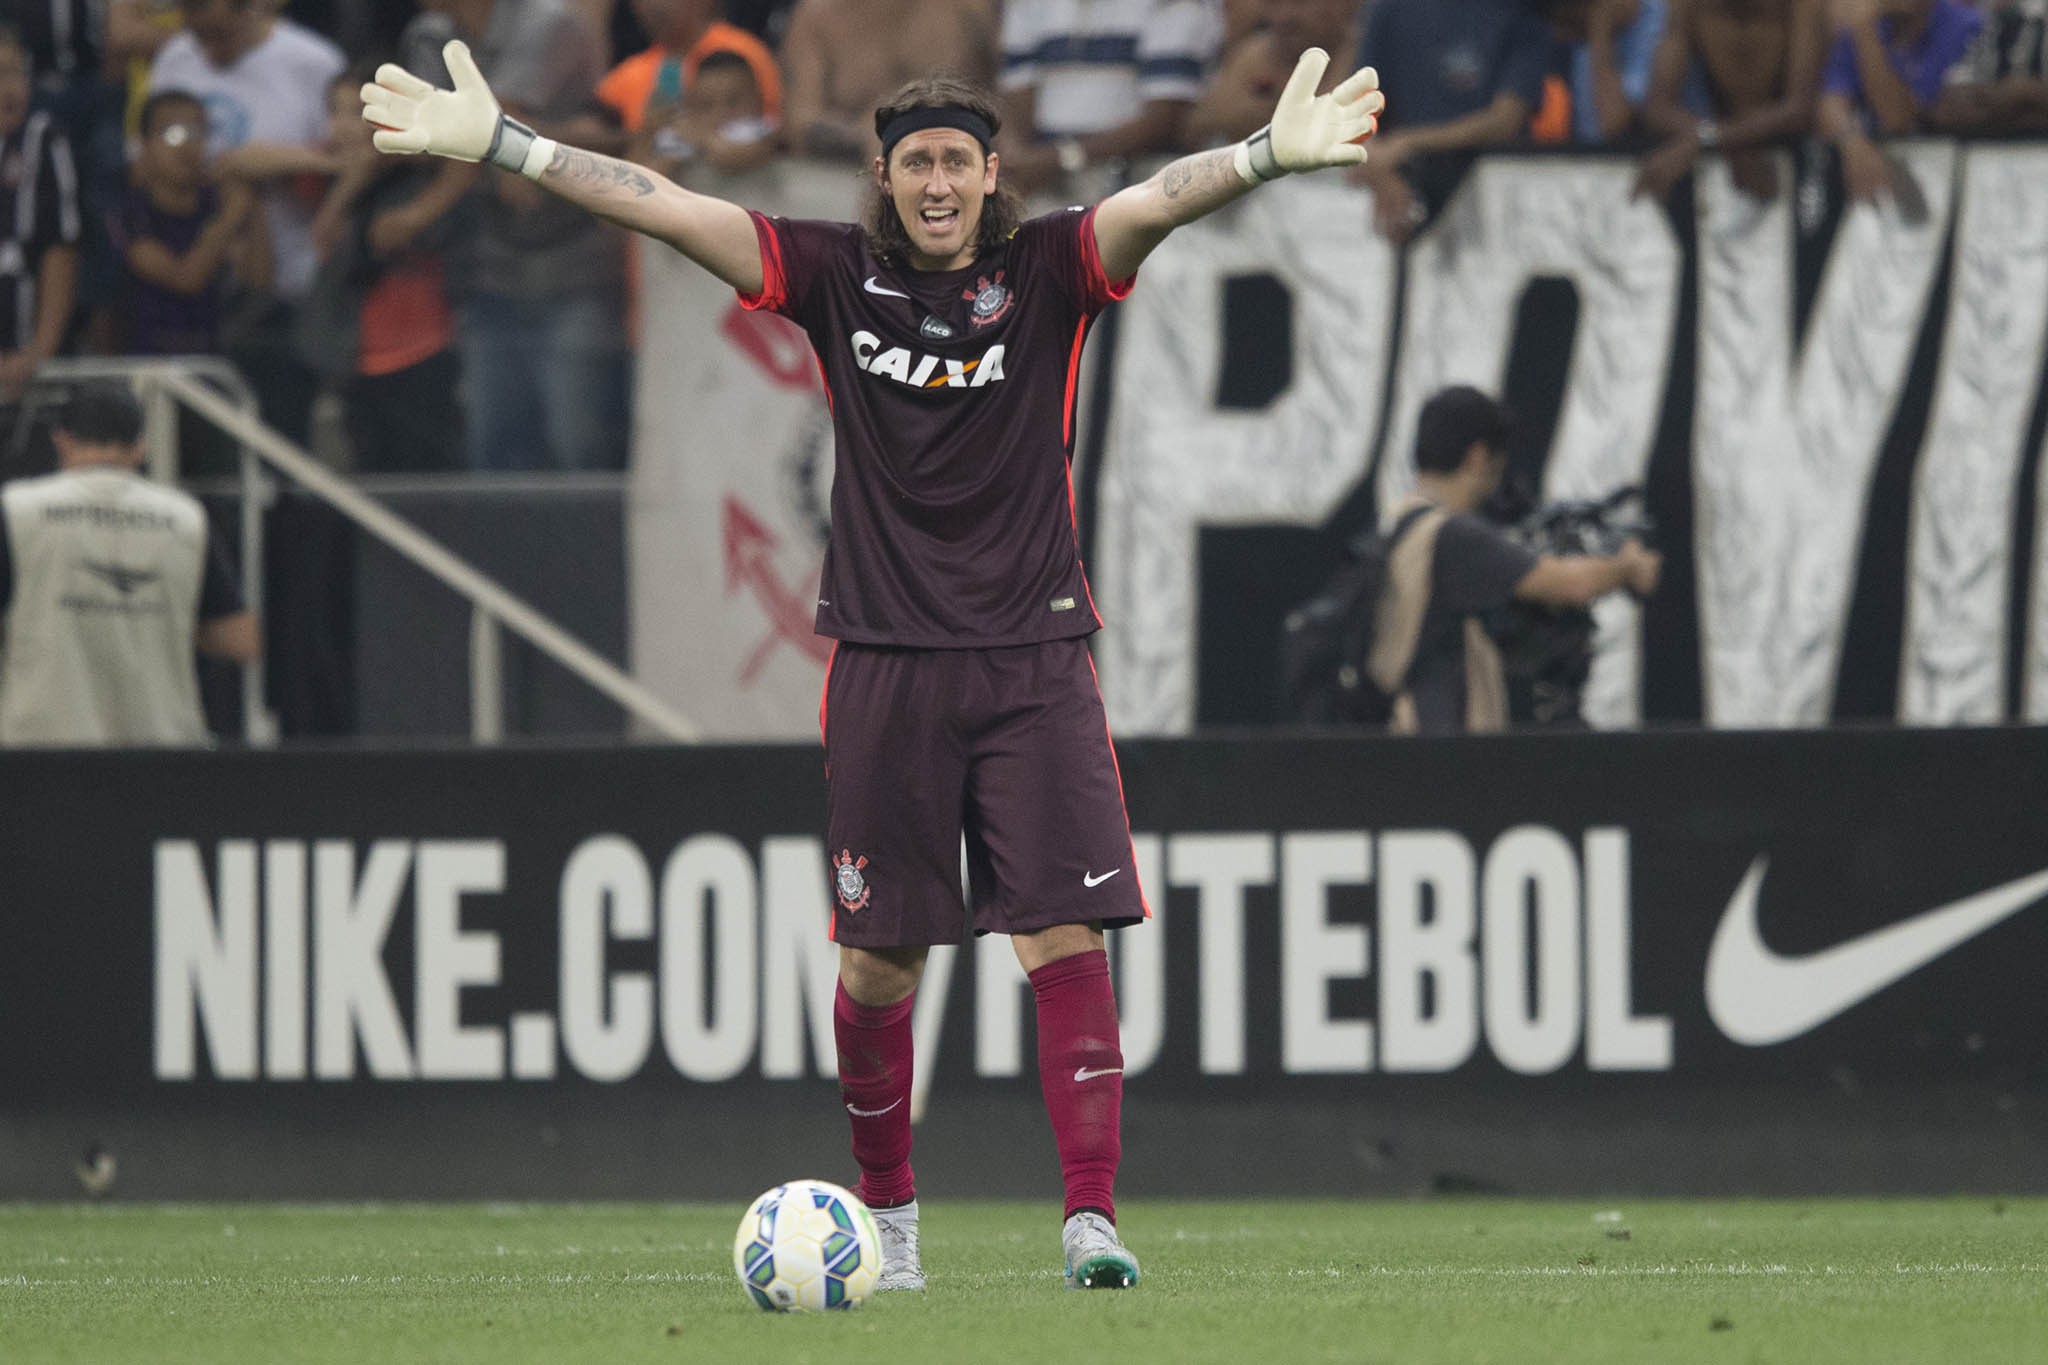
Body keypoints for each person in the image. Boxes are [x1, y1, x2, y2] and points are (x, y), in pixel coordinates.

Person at [361, 35, 1380, 1288]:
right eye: (915, 165)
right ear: (885, 181)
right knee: (875, 960)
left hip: (1033, 656)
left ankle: (1090, 1221)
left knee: (1064, 939)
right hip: (886, 664)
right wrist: (513, 145)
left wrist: (1265, 155)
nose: (938, 183)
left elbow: (1154, 200)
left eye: (957, 161)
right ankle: (888, 1223)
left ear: (991, 173)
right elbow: (670, 208)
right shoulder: (834, 274)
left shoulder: (1049, 266)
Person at [398, 0, 631, 472]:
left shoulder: (547, 21)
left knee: (579, 443)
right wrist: (554, 138)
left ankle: (592, 548)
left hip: (573, 269)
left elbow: (490, 128)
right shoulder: (428, 34)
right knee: (494, 448)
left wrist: (421, 212)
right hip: (488, 274)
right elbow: (419, 131)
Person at [1375, 387, 1660, 736]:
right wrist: (1627, 567)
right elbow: (1568, 584)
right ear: (1478, 457)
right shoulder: (1454, 536)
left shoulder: (1401, 522)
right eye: (1499, 463)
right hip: (1440, 746)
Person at [0, 382, 259, 746]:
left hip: (41, 751)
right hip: (158, 751)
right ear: (140, 446)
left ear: (61, 440)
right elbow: (240, 640)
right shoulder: (185, 518)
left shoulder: (16, 509)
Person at [146, 0, 347, 445]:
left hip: (294, 283)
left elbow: (353, 158)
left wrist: (275, 162)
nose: (207, 49)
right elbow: (145, 157)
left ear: (250, 10)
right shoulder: (176, 57)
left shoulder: (312, 63)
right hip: (204, 283)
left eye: (218, 34)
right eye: (197, 34)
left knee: (285, 437)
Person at [301, 70, 467, 474]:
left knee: (425, 475)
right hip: (354, 359)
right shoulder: (327, 177)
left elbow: (389, 238)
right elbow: (326, 244)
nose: (345, 124)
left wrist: (395, 159)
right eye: (335, 112)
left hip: (424, 353)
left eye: (359, 112)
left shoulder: (423, 177)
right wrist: (353, 180)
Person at [1350, 0, 1556, 242]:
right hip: (1405, 196)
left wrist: (1407, 143)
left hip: (1495, 207)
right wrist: (1378, 169)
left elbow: (1505, 122)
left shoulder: (1522, 13)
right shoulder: (1389, 9)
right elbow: (1358, 110)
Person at [996, 0, 1223, 192]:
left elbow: (1165, 119)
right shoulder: (1028, 4)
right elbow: (1015, 100)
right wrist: (1015, 158)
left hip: (1135, 187)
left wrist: (1062, 159)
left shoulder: (1174, 5)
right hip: (1044, 186)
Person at [109, 90, 270, 358]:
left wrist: (252, 207)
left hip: (220, 360)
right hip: (147, 367)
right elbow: (185, 279)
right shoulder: (129, 212)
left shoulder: (217, 202)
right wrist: (231, 216)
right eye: (172, 134)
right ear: (146, 145)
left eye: (196, 133)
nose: (186, 146)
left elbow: (259, 280)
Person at [1635, 0, 1828, 203]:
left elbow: (1801, 108)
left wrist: (1709, 139)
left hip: (1800, 159)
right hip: (1729, 141)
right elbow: (1657, 106)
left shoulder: (1803, 6)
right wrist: (1725, 141)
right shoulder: (1687, 6)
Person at [779, 0, 997, 161]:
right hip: (847, 182)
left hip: (958, 172)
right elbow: (799, 124)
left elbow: (1000, 114)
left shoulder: (968, 12)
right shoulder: (817, 18)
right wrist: (872, 140)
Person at [1816, 0, 1980, 203]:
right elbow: (1829, 101)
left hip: (1951, 188)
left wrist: (1865, 31)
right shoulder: (1874, 23)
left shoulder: (1964, 26)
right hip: (1888, 191)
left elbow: (1898, 119)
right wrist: (1851, 140)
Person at [0, 22, 83, 416]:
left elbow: (59, 249)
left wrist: (37, 352)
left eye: (16, 71)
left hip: (20, 360)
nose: (9, 86)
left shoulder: (42, 138)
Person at [1185, 0, 1363, 148]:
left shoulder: (1364, 58)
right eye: (1274, 3)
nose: (1284, 17)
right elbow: (1196, 126)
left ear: (1343, 5)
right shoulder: (1255, 52)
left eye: (1300, 3)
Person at [1543, 0, 1671, 143]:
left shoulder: (1659, 18)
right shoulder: (1576, 29)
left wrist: (1601, 30)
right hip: (1585, 158)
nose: (1558, 33)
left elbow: (1611, 122)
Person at [1932, 0, 2048, 133]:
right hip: (1990, 142)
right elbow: (1951, 102)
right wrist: (2003, 98)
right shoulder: (1995, 20)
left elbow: (2025, 94)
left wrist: (2030, 95)